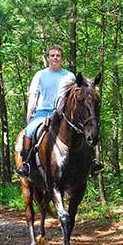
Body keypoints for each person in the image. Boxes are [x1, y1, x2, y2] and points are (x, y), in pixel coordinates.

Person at [16, 45, 103, 177]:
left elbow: (75, 97)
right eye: (52, 55)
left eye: (58, 55)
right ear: (47, 58)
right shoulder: (40, 75)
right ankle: (26, 164)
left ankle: (92, 162)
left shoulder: (69, 76)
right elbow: (34, 95)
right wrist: (30, 114)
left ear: (62, 59)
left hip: (63, 113)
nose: (55, 58)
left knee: (84, 131)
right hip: (42, 112)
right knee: (29, 131)